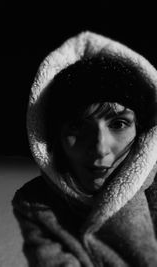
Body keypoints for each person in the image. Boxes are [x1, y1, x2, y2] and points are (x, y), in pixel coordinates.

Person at [12, 31, 157, 266]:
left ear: (141, 131)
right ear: (54, 136)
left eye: (119, 124)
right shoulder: (37, 205)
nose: (100, 148)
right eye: (78, 126)